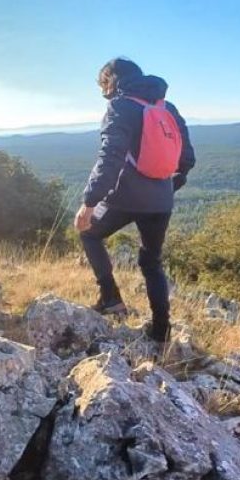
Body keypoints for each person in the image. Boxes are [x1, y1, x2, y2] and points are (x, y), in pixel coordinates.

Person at [75, 58, 196, 344]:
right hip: (162, 200)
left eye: (103, 84)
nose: (103, 91)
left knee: (89, 233)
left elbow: (110, 158)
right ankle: (161, 333)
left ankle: (111, 298)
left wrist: (89, 203)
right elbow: (187, 158)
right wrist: (166, 188)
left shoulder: (120, 106)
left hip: (124, 196)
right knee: (152, 262)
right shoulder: (167, 107)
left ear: (111, 81)